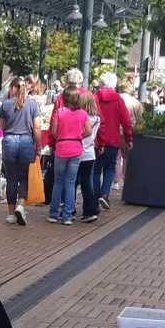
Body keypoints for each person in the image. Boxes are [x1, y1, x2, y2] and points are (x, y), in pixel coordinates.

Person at [0, 76, 42, 226]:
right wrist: (39, 145)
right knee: (24, 177)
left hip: (9, 141)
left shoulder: (5, 105)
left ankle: (10, 214)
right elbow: (37, 127)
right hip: (26, 141)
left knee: (11, 179)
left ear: (13, 88)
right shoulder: (33, 105)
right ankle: (21, 205)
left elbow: (1, 127)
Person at [46, 84, 91, 225]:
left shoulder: (60, 112)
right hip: (76, 147)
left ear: (64, 98)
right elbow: (89, 131)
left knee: (58, 181)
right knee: (71, 182)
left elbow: (53, 131)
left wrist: (62, 136)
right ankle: (67, 215)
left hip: (62, 146)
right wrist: (78, 136)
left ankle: (53, 214)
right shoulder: (83, 114)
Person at [92, 72, 133, 210]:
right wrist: (129, 139)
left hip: (97, 140)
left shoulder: (94, 98)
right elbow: (126, 122)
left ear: (101, 84)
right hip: (113, 140)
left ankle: (96, 196)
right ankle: (104, 194)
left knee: (96, 170)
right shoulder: (118, 100)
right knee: (110, 168)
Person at [76, 90, 102, 223]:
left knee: (72, 183)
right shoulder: (97, 119)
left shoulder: (80, 117)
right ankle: (90, 210)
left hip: (77, 151)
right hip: (90, 153)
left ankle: (70, 209)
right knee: (88, 183)